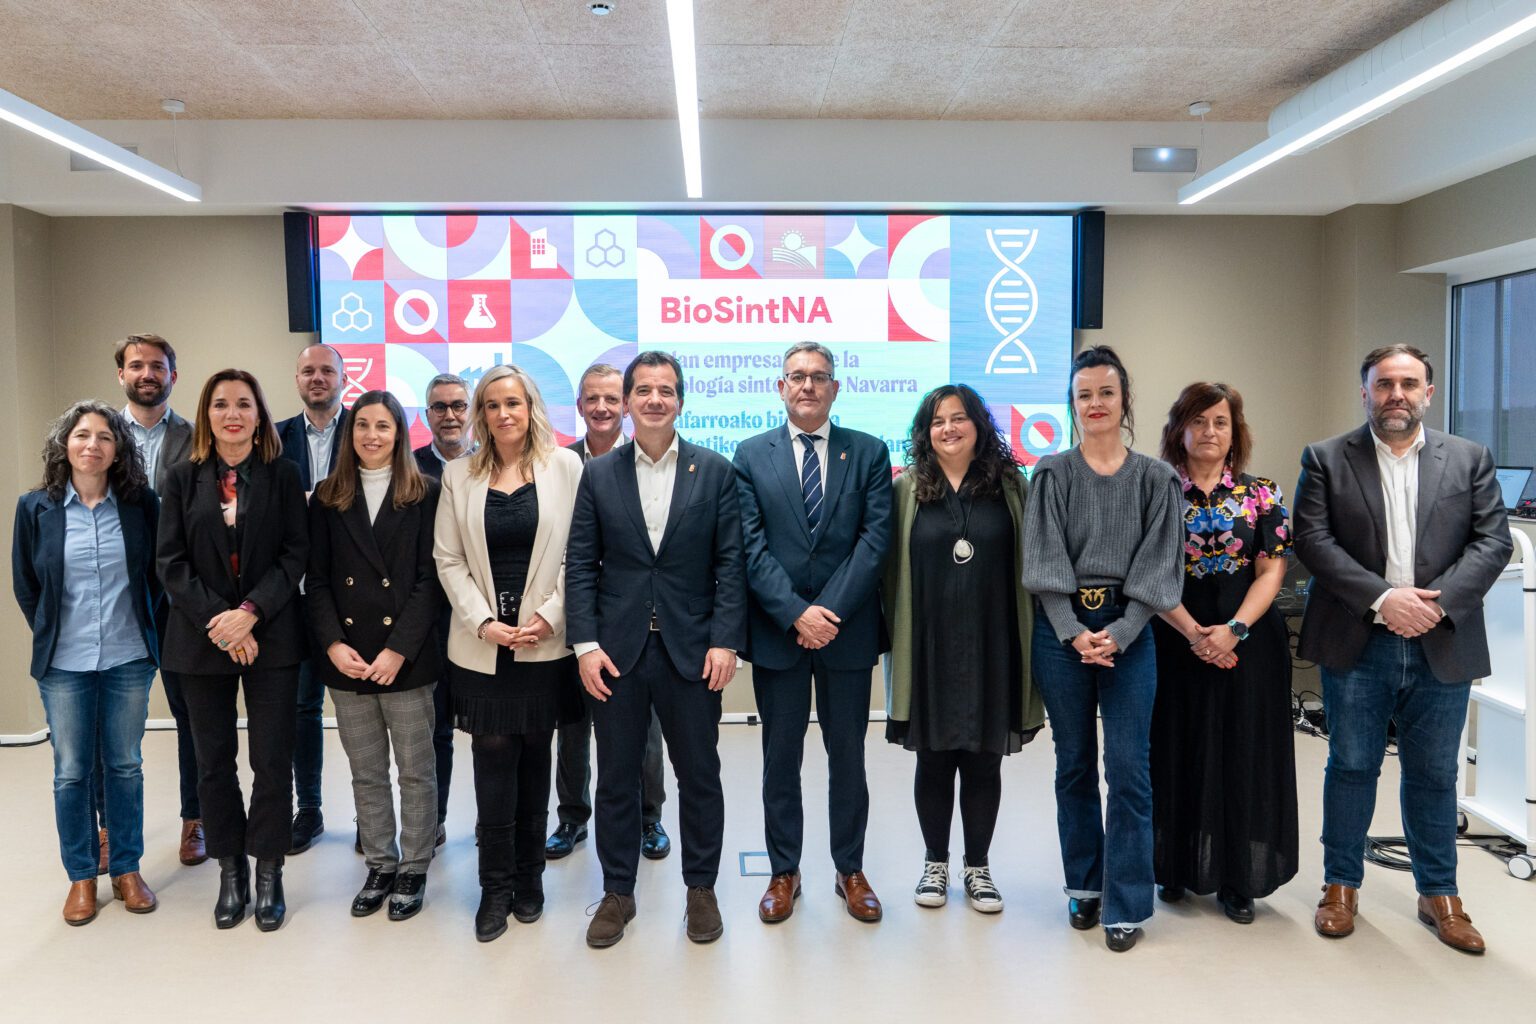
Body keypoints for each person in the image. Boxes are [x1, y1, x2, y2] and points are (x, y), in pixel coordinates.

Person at [1294, 344, 1511, 954]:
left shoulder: (1469, 459)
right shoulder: (1326, 458)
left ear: (1428, 393)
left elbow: (1492, 542)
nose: (1397, 394)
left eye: (1409, 383)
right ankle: (1341, 886)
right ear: (1364, 391)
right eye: (1384, 383)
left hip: (1443, 638)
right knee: (1353, 765)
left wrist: (1435, 606)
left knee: (1436, 774)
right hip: (1359, 638)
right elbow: (1312, 539)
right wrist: (1385, 600)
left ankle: (1439, 893)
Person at [566, 351, 746, 949]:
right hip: (615, 653)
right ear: (627, 400)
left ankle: (701, 890)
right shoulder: (597, 475)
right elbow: (582, 568)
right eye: (642, 390)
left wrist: (725, 640)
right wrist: (586, 645)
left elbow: (730, 564)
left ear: (681, 401)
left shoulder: (715, 472)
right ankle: (618, 891)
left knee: (699, 775)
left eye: (665, 390)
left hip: (692, 651)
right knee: (616, 778)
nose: (653, 400)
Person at [1022, 345, 1184, 953]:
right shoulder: (1052, 474)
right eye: (1084, 394)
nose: (1095, 404)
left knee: (1130, 772)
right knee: (1073, 766)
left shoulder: (1156, 479)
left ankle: (1126, 902)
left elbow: (1160, 569)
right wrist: (1073, 630)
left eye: (1105, 393)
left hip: (1132, 633)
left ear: (1124, 401)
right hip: (1062, 631)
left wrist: (1118, 632)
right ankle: (1084, 887)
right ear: (1073, 402)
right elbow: (1042, 561)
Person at [734, 342, 891, 923]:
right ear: (780, 387)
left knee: (847, 756)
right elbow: (750, 547)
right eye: (796, 377)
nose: (807, 386)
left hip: (845, 635)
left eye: (818, 377)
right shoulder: (749, 455)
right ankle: (784, 871)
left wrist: (826, 613)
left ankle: (849, 869)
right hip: (780, 634)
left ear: (834, 388)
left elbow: (874, 544)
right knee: (781, 757)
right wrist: (796, 613)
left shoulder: (869, 453)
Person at [434, 364, 583, 942]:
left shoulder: (565, 467)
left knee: (534, 754)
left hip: (545, 640)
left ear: (531, 407)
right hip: (482, 646)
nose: (503, 414)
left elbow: (581, 552)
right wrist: (484, 622)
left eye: (513, 403)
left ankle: (530, 880)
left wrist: (551, 614)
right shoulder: (458, 474)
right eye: (492, 405)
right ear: (481, 414)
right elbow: (448, 559)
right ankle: (494, 887)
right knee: (493, 761)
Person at [881, 384, 1042, 916]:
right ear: (925, 433)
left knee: (982, 763)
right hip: (928, 644)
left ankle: (978, 868)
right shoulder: (906, 490)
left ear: (979, 424)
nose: (948, 428)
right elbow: (888, 575)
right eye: (936, 421)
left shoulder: (1012, 486)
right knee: (932, 760)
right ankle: (935, 864)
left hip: (993, 643)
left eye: (958, 418)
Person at [157, 369, 309, 931]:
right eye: (221, 404)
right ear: (207, 415)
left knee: (271, 761)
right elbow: (169, 563)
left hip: (270, 635)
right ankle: (231, 870)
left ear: (259, 413)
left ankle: (268, 869)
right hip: (199, 642)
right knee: (213, 763)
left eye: (244, 403)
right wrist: (219, 622)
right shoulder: (180, 478)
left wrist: (249, 615)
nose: (232, 413)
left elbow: (296, 554)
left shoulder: (284, 474)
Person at [1149, 382, 1297, 924]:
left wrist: (1231, 630)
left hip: (1250, 644)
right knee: (1176, 752)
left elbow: (1272, 569)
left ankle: (1239, 878)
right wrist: (1194, 634)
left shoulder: (1262, 494)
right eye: (1199, 421)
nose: (1209, 432)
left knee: (1243, 755)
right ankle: (1176, 867)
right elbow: (1150, 574)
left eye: (1221, 422)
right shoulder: (1157, 490)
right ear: (1179, 430)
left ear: (1235, 432)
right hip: (1172, 641)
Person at [12, 401, 162, 925]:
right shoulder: (35, 507)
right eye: (82, 435)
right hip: (64, 664)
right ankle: (81, 876)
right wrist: (56, 635)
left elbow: (157, 580)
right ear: (65, 445)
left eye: (104, 436)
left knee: (125, 765)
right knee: (71, 772)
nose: (92, 444)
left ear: (118, 448)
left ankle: (126, 868)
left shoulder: (141, 504)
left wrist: (151, 638)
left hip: (128, 656)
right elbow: (27, 586)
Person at [308, 391, 443, 921]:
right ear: (350, 432)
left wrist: (398, 649)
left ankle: (414, 865)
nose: (371, 435)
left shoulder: (425, 493)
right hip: (348, 661)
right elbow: (316, 581)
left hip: (406, 659)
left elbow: (431, 582)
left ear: (400, 434)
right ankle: (381, 863)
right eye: (362, 425)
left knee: (415, 769)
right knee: (366, 771)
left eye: (383, 426)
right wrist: (333, 644)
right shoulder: (327, 497)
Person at [550, 362, 671, 863]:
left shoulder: (642, 459)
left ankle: (649, 817)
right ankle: (572, 817)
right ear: (579, 406)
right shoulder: (555, 463)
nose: (600, 407)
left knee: (644, 727)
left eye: (609, 398)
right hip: (574, 614)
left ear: (624, 405)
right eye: (590, 399)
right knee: (573, 723)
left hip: (635, 619)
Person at [116, 332, 204, 867]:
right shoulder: (97, 435)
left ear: (173, 374)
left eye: (157, 366)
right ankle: (110, 830)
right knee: (114, 725)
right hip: (119, 598)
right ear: (121, 375)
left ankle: (196, 820)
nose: (147, 374)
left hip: (177, 599)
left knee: (191, 717)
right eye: (136, 366)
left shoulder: (198, 439)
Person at [276, 343, 348, 854]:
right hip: (295, 599)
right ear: (297, 379)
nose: (317, 378)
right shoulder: (274, 439)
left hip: (356, 598)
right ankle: (311, 809)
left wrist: (314, 503)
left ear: (345, 377)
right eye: (308, 370)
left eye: (327, 370)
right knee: (302, 709)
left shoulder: (367, 429)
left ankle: (374, 815)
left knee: (365, 710)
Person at [411, 372, 476, 845]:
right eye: (440, 407)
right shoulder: (408, 468)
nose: (450, 415)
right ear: (426, 415)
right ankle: (431, 823)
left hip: (484, 620)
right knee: (434, 734)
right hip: (427, 624)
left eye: (458, 405)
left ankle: (495, 820)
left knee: (493, 730)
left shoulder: (495, 464)